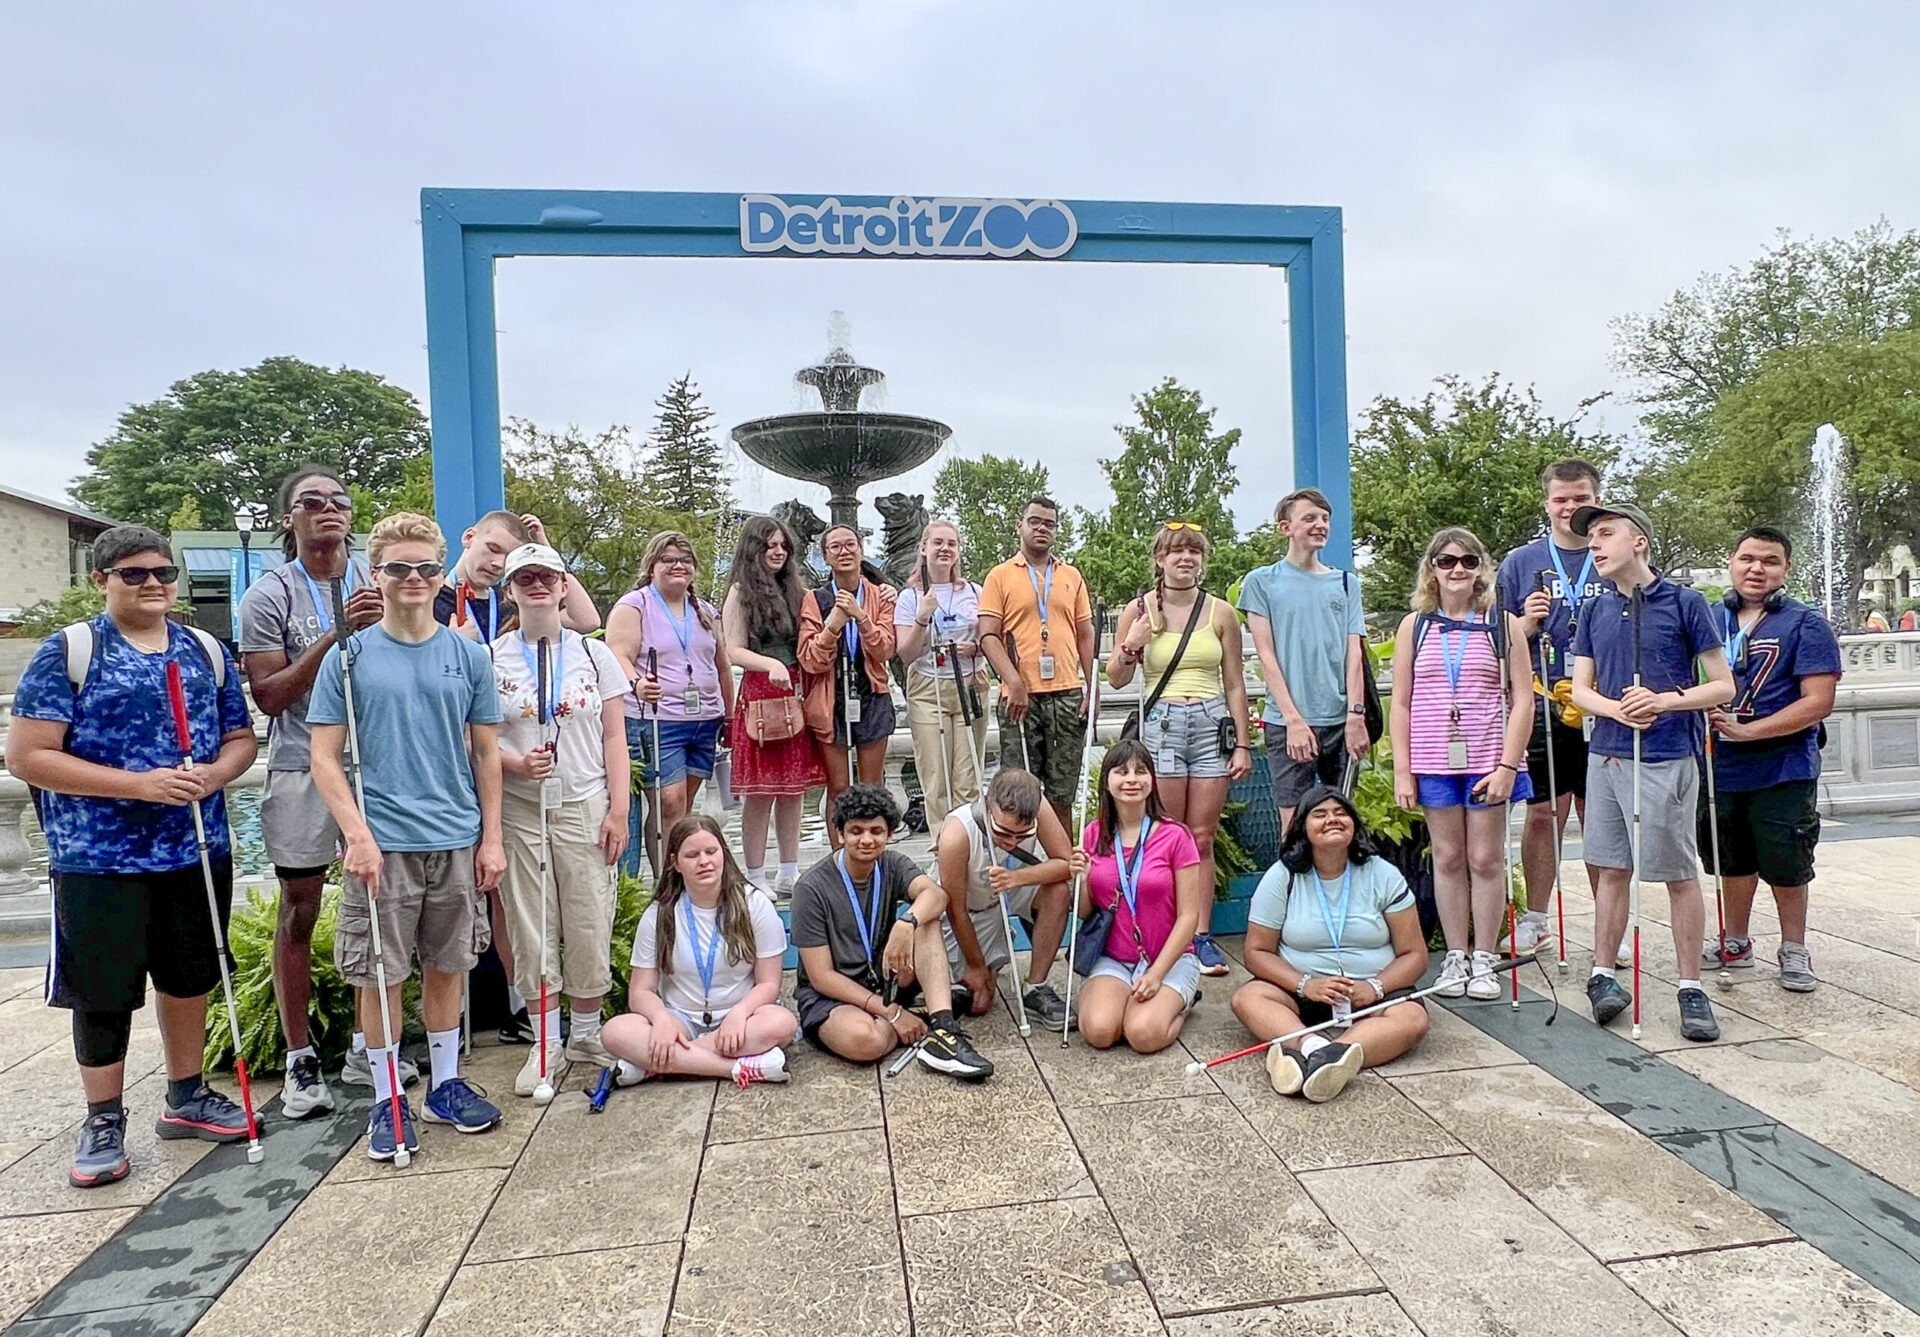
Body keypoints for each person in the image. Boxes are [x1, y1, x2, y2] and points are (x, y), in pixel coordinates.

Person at [8, 526, 259, 1188]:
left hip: (194, 846)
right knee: (102, 989)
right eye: (134, 573)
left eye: (163, 572)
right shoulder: (71, 651)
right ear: (102, 580)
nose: (153, 583)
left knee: (190, 973)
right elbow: (29, 755)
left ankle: (186, 1092)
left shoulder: (203, 649)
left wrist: (213, 774)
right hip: (98, 854)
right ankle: (103, 1115)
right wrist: (139, 785)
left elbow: (240, 735)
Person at [308, 512, 509, 1161]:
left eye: (426, 566)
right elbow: (324, 756)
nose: (415, 578)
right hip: (383, 843)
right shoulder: (349, 657)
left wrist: (492, 838)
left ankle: (445, 1085)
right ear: (377, 573)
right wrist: (356, 833)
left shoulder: (468, 656)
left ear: (439, 567)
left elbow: (485, 753)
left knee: (448, 966)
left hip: (454, 836)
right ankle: (388, 1095)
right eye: (400, 567)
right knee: (381, 974)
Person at [237, 466, 413, 1117]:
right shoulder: (270, 594)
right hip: (300, 763)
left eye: (339, 500)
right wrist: (334, 635)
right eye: (312, 502)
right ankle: (299, 1055)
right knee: (301, 903)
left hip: (378, 766)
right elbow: (270, 694)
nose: (329, 510)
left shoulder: (381, 580)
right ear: (291, 518)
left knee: (384, 898)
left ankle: (373, 1046)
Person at [1567, 502, 1734, 1042]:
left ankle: (1691, 987)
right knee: (1611, 867)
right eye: (1591, 536)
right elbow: (1581, 689)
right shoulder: (1593, 611)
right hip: (1608, 755)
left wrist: (1664, 701)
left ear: (1639, 542)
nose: (1594, 543)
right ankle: (1602, 974)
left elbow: (1722, 685)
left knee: (1678, 872)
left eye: (1605, 533)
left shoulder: (1686, 603)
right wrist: (1616, 709)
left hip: (1667, 756)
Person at [435, 508, 597, 1042]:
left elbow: (587, 621)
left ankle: (521, 1014)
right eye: (498, 554)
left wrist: (545, 549)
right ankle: (461, 1024)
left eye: (519, 561)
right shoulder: (432, 597)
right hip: (460, 779)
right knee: (490, 902)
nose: (501, 565)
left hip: (524, 782)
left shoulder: (501, 608)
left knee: (520, 906)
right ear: (469, 538)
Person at [488, 542, 631, 1095]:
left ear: (565, 585)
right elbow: (477, 741)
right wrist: (517, 764)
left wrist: (618, 810)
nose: (538, 585)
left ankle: (588, 1030)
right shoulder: (491, 657)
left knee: (590, 912)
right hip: (523, 805)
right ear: (512, 589)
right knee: (531, 920)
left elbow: (615, 736)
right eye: (526, 578)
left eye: (547, 576)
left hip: (585, 799)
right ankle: (544, 1037)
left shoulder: (593, 656)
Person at [1391, 528, 1534, 1000]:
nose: (1457, 569)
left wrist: (1509, 766)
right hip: (1435, 760)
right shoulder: (1417, 625)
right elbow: (1403, 703)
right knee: (1448, 858)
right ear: (1432, 568)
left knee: (1486, 858)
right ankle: (1456, 954)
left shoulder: (1503, 624)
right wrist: (1402, 769)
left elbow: (1522, 701)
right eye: (1447, 561)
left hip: (1488, 758)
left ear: (1482, 570)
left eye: (1469, 561)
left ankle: (1486, 956)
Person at [1108, 522, 1254, 977]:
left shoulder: (1221, 613)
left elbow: (1234, 683)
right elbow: (1115, 678)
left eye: (1193, 551)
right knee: (1166, 833)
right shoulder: (1138, 609)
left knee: (1202, 837)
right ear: (1160, 559)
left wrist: (1243, 742)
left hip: (1210, 722)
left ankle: (1201, 935)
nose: (1185, 558)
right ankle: (1164, 934)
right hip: (1163, 723)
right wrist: (1132, 645)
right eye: (1175, 551)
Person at [1700, 526, 1841, 992]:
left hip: (1783, 766)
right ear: (1731, 561)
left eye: (1770, 561)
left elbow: (1818, 701)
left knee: (1786, 858)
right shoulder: (1708, 619)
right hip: (1720, 765)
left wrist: (1750, 730)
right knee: (1731, 857)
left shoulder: (1805, 623)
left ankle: (1794, 949)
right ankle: (1736, 941)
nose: (1756, 569)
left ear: (1786, 569)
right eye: (1747, 559)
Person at [1230, 786, 1430, 1103]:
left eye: (1341, 813)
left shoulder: (1383, 873)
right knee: (1247, 997)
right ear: (1302, 829)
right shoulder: (1283, 876)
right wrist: (1305, 984)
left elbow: (1415, 954)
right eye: (1319, 814)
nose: (1332, 820)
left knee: (1413, 1019)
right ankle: (1316, 1049)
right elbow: (1256, 952)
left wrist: (1376, 987)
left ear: (1354, 824)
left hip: (1372, 993)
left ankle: (1313, 1056)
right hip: (1302, 993)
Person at [789, 784, 994, 1080]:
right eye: (856, 831)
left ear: (889, 835)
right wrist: (893, 1014)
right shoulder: (811, 888)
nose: (866, 840)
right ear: (839, 834)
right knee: (867, 1042)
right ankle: (918, 1018)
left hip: (885, 978)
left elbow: (936, 895)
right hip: (832, 995)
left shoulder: (892, 864)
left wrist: (905, 923)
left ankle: (943, 1028)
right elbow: (822, 977)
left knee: (927, 918)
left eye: (876, 831)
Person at [1498, 458, 1607, 954]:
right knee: (1542, 813)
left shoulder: (1614, 552)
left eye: (1580, 498)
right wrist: (1524, 623)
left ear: (1596, 499)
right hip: (1543, 698)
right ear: (1547, 504)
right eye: (1561, 499)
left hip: (1604, 701)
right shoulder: (1521, 563)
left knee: (1600, 813)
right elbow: (1494, 640)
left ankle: (1610, 923)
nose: (1570, 508)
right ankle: (1536, 918)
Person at [603, 815, 798, 1087]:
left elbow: (769, 984)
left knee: (781, 1022)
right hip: (680, 1017)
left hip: (741, 1015)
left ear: (724, 854)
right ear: (676, 863)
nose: (704, 861)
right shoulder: (659, 914)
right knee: (615, 1032)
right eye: (692, 855)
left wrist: (739, 1014)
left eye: (711, 851)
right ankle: (738, 1067)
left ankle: (657, 1065)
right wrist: (660, 1020)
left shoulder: (755, 904)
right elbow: (641, 990)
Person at [1238, 488, 1370, 836]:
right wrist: (1294, 720)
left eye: (1325, 519)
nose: (1319, 525)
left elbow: (1354, 653)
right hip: (1287, 722)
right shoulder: (1261, 582)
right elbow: (1266, 655)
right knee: (1293, 824)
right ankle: (1296, 890)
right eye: (1309, 518)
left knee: (1340, 823)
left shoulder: (1345, 584)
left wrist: (1356, 715)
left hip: (1340, 721)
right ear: (1286, 528)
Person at [606, 532, 734, 876]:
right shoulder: (635, 605)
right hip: (657, 719)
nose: (678, 566)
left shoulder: (705, 610)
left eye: (685, 560)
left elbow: (722, 665)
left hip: (704, 719)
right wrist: (636, 683)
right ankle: (666, 881)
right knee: (668, 802)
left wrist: (730, 716)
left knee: (684, 807)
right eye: (668, 559)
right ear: (652, 566)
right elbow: (617, 653)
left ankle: (680, 874)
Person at [1067, 740, 1204, 1055]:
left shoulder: (1175, 836)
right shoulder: (1092, 834)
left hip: (1167, 959)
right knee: (1100, 1032)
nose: (1131, 780)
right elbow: (1086, 911)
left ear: (1152, 781)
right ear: (1107, 781)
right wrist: (1083, 879)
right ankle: (1125, 1001)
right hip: (1114, 957)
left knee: (1142, 1035)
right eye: (1122, 772)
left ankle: (1183, 1004)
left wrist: (1156, 976)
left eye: (1140, 771)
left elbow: (1189, 916)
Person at [978, 496, 1097, 829]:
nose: (1042, 528)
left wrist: (1093, 687)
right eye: (1035, 521)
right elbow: (988, 635)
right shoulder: (1000, 576)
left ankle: (1060, 865)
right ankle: (1018, 864)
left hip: (1067, 694)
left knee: (1062, 793)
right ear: (1020, 526)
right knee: (1018, 791)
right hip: (1019, 698)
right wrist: (1013, 681)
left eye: (1049, 523)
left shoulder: (1071, 575)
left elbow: (1085, 635)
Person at [722, 517, 823, 897]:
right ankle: (755, 873)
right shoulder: (739, 592)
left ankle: (788, 869)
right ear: (754, 550)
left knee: (793, 789)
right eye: (769, 546)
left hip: (796, 690)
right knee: (760, 791)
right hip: (762, 692)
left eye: (782, 545)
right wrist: (772, 665)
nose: (777, 552)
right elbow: (733, 648)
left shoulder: (797, 589)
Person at [934, 768, 1074, 1031]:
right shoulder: (957, 833)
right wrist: (976, 967)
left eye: (1022, 835)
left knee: (1058, 891)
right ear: (989, 807)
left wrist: (1017, 879)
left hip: (1009, 885)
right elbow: (956, 910)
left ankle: (1036, 985)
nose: (1011, 842)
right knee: (979, 1004)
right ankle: (975, 969)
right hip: (966, 910)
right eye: (1002, 832)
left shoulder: (1037, 804)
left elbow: (1068, 864)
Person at [798, 524, 898, 839]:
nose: (845, 552)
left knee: (871, 785)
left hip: (871, 694)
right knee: (838, 786)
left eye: (850, 545)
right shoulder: (815, 599)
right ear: (825, 556)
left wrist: (861, 617)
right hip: (831, 699)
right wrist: (834, 625)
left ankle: (874, 854)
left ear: (861, 549)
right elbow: (810, 658)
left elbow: (885, 649)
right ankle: (839, 859)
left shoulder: (880, 594)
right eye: (836, 547)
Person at [894, 519, 991, 825]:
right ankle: (942, 848)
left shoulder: (975, 592)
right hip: (928, 686)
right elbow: (906, 654)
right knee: (935, 776)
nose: (944, 549)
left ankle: (970, 846)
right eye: (938, 542)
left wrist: (975, 648)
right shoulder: (910, 597)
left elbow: (992, 639)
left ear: (959, 551)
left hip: (970, 682)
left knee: (968, 777)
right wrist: (922, 619)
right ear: (923, 548)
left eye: (951, 543)